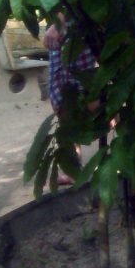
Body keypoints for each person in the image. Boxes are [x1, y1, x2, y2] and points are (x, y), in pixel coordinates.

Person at [44, 15, 96, 184]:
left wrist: (59, 22)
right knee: (66, 105)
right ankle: (74, 171)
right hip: (70, 31)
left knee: (88, 102)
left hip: (74, 30)